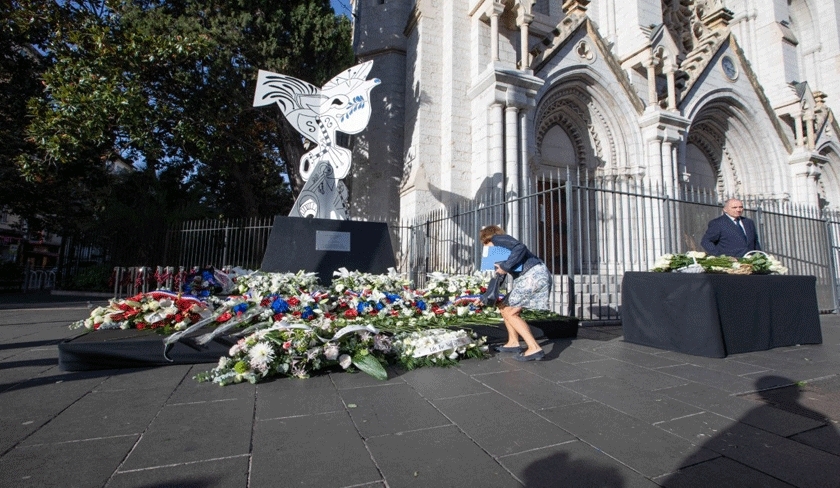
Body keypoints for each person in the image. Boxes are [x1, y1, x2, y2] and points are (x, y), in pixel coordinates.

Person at [479, 225, 552, 361]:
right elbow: (499, 277)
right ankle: (513, 343)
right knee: (503, 306)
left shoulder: (497, 239)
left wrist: (505, 266)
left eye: (485, 243)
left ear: (487, 238)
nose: (485, 247)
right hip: (532, 275)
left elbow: (520, 247)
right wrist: (484, 297)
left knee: (510, 311)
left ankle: (534, 348)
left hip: (532, 275)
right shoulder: (501, 252)